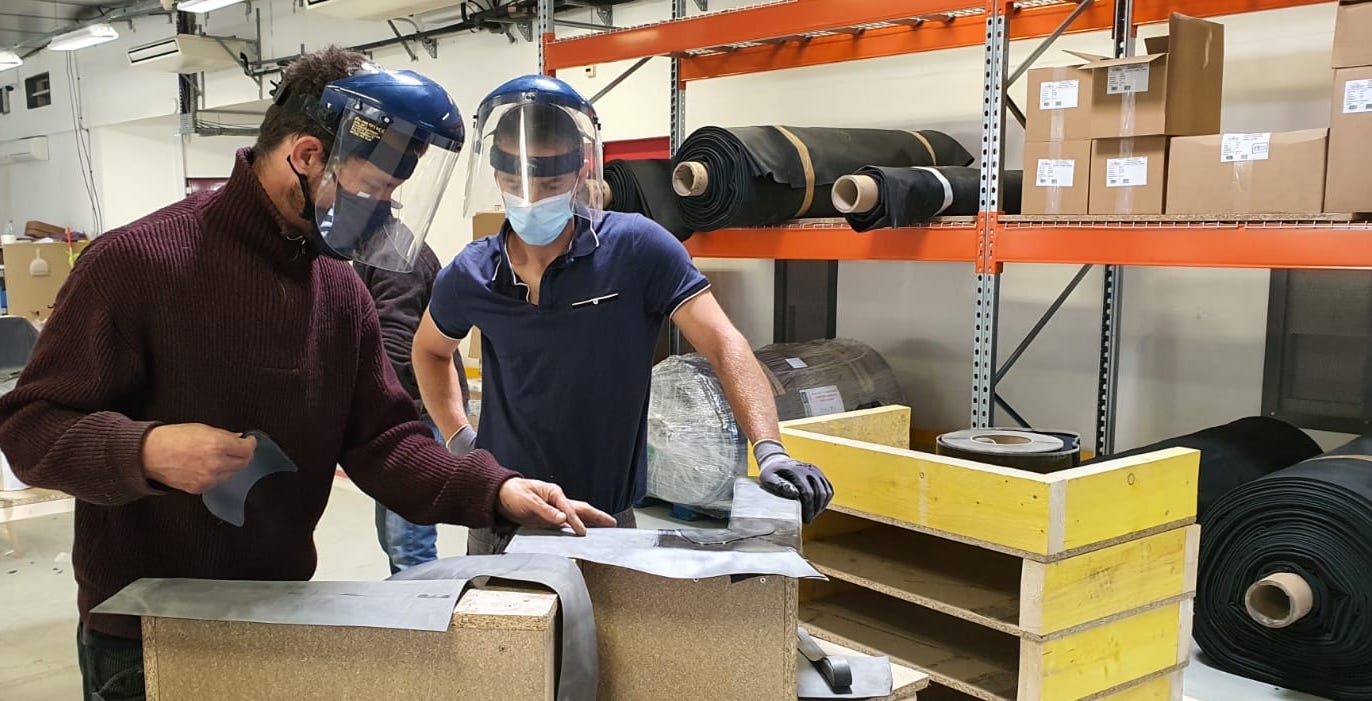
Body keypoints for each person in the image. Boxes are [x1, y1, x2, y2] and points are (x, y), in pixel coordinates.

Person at [0, 50, 612, 700]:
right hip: (143, 632)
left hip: (279, 615)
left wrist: (496, 488)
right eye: (373, 189)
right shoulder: (134, 264)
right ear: (307, 156)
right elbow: (31, 429)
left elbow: (384, 442)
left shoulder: (339, 291)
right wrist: (145, 450)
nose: (382, 212)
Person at [412, 75, 835, 556]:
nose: (530, 199)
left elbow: (723, 343)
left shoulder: (637, 249)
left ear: (579, 175)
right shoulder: (472, 273)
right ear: (496, 179)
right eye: (516, 183)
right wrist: (461, 442)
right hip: (502, 518)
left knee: (608, 634)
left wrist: (769, 448)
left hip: (607, 520)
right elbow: (429, 350)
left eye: (549, 184)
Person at [352, 243, 471, 574]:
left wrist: (379, 416)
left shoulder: (394, 256)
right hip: (402, 409)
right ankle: (403, 612)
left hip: (415, 411)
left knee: (408, 543)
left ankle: (420, 619)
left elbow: (395, 347)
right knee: (392, 537)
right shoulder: (372, 252)